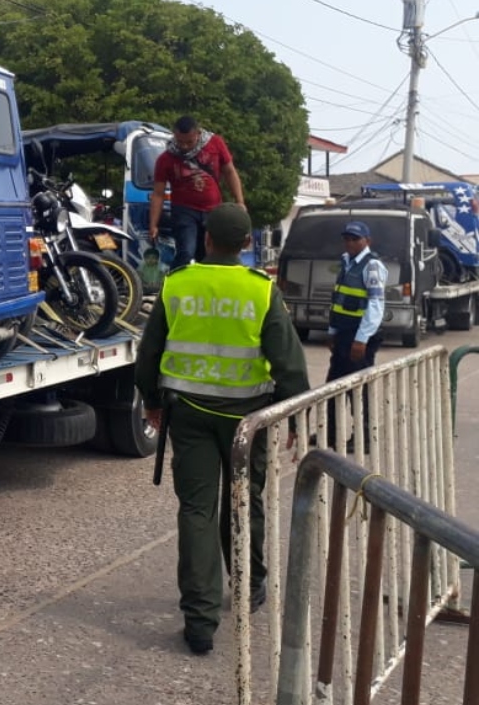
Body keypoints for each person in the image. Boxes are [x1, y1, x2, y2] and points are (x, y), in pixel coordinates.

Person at [135, 204, 310, 656]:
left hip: (189, 413)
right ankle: (248, 586)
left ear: (207, 239)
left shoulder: (178, 283)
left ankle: (199, 621)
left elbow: (148, 353)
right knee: (244, 499)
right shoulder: (261, 291)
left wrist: (152, 402)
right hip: (246, 420)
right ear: (248, 243)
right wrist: (292, 414)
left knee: (196, 510)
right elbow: (289, 361)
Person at [323, 220, 388, 451]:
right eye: (347, 238)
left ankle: (364, 438)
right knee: (332, 387)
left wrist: (361, 339)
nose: (350, 243)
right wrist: (332, 332)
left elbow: (375, 305)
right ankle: (329, 435)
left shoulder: (372, 266)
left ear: (367, 241)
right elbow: (339, 301)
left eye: (355, 239)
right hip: (343, 334)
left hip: (360, 337)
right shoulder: (347, 262)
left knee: (359, 390)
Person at [148, 116, 246, 269]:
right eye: (180, 142)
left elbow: (230, 171)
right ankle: (175, 285)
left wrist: (240, 201)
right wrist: (153, 224)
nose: (185, 146)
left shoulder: (215, 143)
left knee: (210, 256)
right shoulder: (166, 159)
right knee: (186, 252)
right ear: (174, 136)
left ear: (198, 134)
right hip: (184, 211)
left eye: (189, 142)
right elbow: (158, 193)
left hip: (213, 210)